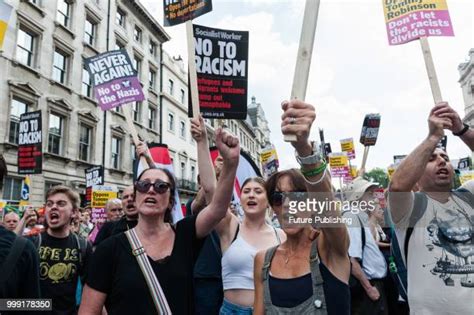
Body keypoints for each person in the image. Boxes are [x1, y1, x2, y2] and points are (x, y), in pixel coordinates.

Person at [79, 128, 240, 314]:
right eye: (143, 185)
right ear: (136, 194)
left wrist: (231, 163)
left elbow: (218, 208)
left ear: (171, 201)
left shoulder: (185, 234)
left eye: (161, 186)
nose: (151, 190)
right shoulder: (109, 250)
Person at [254, 100, 350, 314]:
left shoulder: (330, 249)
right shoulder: (263, 260)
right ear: (273, 208)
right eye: (278, 198)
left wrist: (305, 150)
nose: (287, 205)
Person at [388, 102, 473, 314]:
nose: (442, 162)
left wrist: (460, 129)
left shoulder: (469, 197)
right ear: (416, 175)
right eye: (431, 159)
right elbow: (397, 185)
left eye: (445, 158)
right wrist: (433, 138)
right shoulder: (410, 207)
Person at [29, 186, 93, 315]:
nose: (53, 207)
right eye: (49, 204)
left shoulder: (83, 246)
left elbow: (90, 288)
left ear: (74, 212)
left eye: (61, 203)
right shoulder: (31, 243)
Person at [343, 177, 388, 315]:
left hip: (372, 285)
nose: (374, 199)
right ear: (357, 197)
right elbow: (352, 261)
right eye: (369, 194)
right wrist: (369, 288)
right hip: (368, 289)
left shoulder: (358, 217)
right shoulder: (353, 217)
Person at [0, 224, 41, 301]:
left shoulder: (24, 248)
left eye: (15, 221)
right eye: (8, 221)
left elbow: (30, 304)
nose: (11, 223)